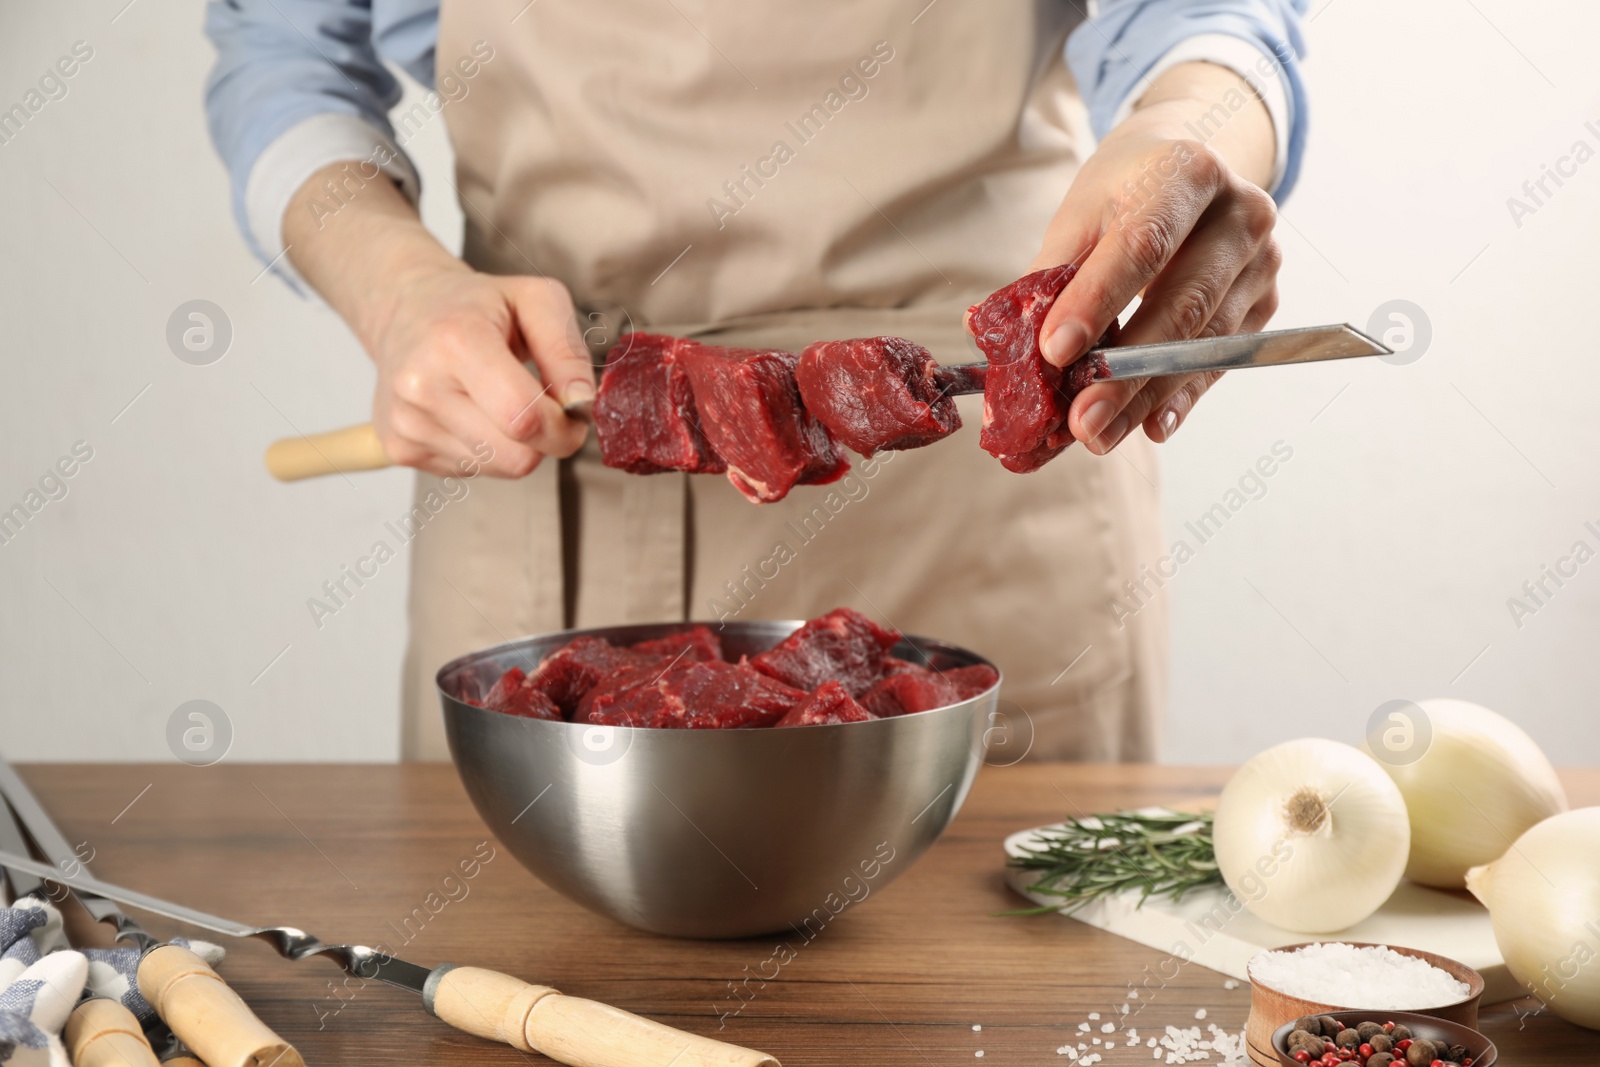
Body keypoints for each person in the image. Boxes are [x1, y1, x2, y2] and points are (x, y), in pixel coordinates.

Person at [205, 0, 1307, 761]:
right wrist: (395, 286)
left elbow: (1207, 18)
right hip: (539, 446)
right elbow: (284, 47)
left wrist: (1183, 128)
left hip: (977, 499)